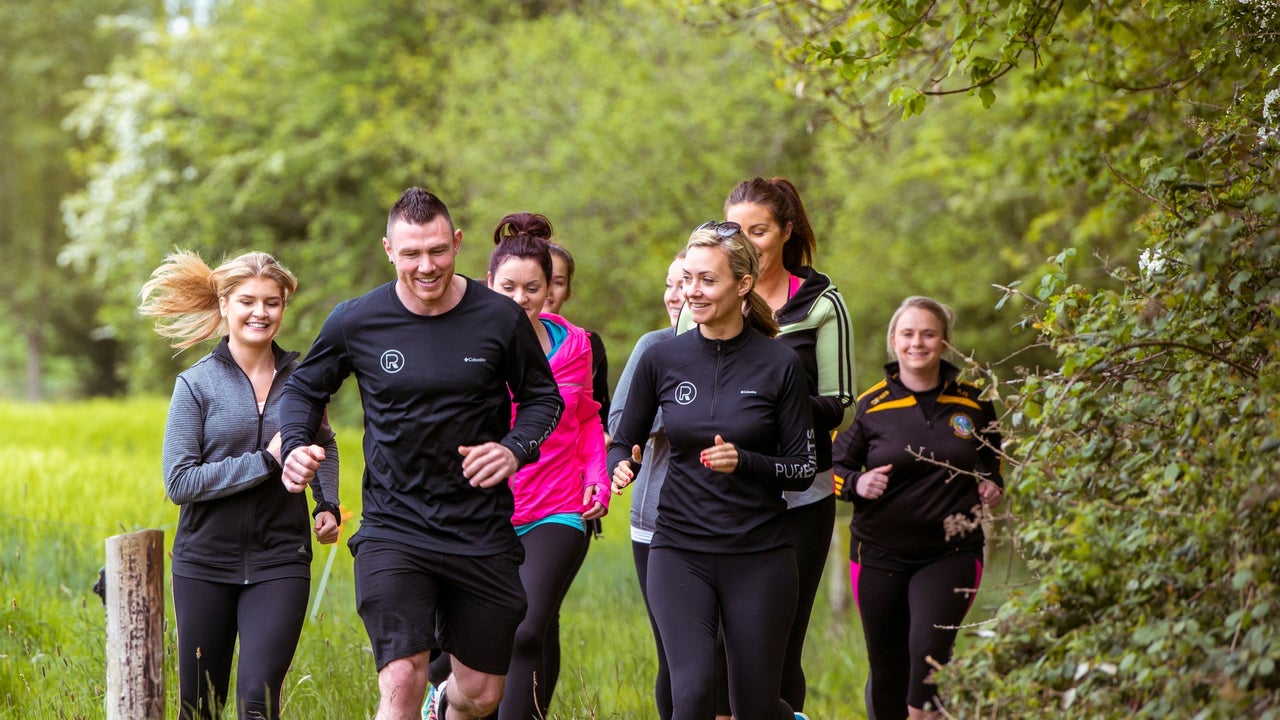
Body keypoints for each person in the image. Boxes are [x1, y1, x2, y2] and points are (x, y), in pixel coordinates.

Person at [276, 188, 564, 720]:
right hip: (394, 525)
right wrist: (295, 445)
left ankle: (444, 706)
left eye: (437, 250)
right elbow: (301, 390)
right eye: (411, 254)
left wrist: (513, 449)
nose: (426, 266)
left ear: (456, 243)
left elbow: (543, 398)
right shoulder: (356, 321)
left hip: (479, 527)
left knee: (479, 695)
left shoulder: (500, 318)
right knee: (402, 678)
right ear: (389, 250)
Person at [610, 222, 816, 720]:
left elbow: (803, 468)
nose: (691, 293)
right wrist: (622, 465)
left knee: (754, 705)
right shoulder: (661, 358)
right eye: (687, 280)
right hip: (680, 550)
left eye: (706, 280)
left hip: (760, 556)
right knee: (696, 691)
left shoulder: (780, 363)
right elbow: (623, 437)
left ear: (742, 285)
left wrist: (743, 461)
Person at [141, 250, 340, 720]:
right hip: (204, 562)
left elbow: (324, 444)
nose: (261, 313)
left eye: (272, 302)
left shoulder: (304, 380)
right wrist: (266, 462)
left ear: (283, 306)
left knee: (258, 699)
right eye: (248, 301)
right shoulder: (196, 385)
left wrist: (325, 503)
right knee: (200, 708)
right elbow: (179, 481)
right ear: (225, 304)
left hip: (280, 558)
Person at [687, 176, 856, 717]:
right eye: (735, 230)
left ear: (786, 232)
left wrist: (771, 398)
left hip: (800, 498)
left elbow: (840, 401)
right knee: (711, 649)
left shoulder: (822, 303)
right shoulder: (705, 293)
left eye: (758, 231)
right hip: (720, 497)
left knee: (775, 648)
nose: (747, 241)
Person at [831, 296, 1004, 720]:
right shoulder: (872, 405)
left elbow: (991, 457)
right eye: (908, 334)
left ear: (944, 342)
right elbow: (833, 467)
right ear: (894, 341)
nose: (917, 343)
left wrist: (992, 482)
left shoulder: (973, 401)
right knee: (888, 673)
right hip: (879, 554)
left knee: (927, 660)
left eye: (928, 333)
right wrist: (857, 483)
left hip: (952, 552)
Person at [484, 212, 610, 720]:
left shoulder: (576, 347)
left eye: (533, 287)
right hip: (487, 508)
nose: (520, 299)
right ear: (487, 284)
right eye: (508, 287)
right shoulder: (472, 345)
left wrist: (596, 477)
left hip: (557, 508)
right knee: (472, 637)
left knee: (529, 626)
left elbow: (587, 420)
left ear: (549, 290)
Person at [607, 249, 685, 720]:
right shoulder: (652, 346)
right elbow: (619, 422)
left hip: (735, 523)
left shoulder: (752, 349)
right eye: (671, 283)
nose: (677, 295)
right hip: (655, 517)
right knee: (675, 655)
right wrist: (680, 417)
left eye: (690, 282)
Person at [544, 241, 610, 430]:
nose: (548, 290)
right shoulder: (504, 340)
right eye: (542, 279)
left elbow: (600, 410)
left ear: (568, 291)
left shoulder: (588, 343)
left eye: (558, 282)